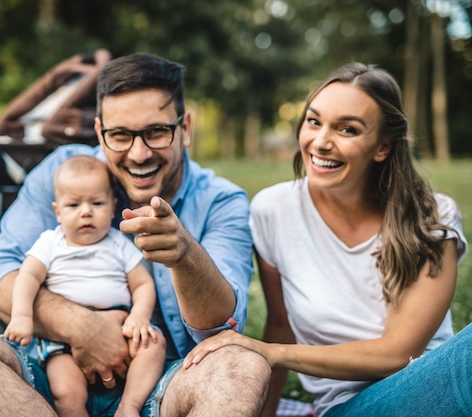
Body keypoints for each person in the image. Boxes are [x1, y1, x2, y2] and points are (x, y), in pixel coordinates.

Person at [0, 52, 270, 417]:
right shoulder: (64, 173)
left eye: (156, 132)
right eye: (120, 135)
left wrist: (187, 257)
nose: (139, 153)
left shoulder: (221, 201)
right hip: (46, 378)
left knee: (244, 367)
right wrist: (82, 327)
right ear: (100, 132)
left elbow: (223, 331)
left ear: (186, 128)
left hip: (161, 384)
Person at [184, 62, 470, 417]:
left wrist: (270, 351)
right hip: (350, 408)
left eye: (347, 129)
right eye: (314, 122)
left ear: (382, 147)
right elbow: (281, 325)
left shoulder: (432, 215)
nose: (320, 142)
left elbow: (399, 353)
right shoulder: (274, 210)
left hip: (437, 389)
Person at [3, 155, 165, 417]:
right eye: (74, 205)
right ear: (57, 211)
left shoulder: (118, 243)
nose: (86, 211)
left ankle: (129, 407)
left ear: (113, 207)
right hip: (62, 340)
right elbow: (27, 277)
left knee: (153, 344)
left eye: (96, 203)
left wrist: (139, 316)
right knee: (66, 392)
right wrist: (22, 316)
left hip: (121, 327)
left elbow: (143, 284)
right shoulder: (50, 243)